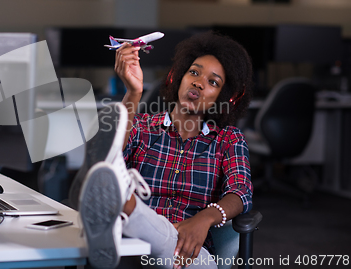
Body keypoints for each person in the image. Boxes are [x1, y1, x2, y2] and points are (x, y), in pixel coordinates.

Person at [76, 31, 254, 269]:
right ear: (179, 77)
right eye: (194, 71)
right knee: (111, 160)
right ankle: (127, 211)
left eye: (213, 82)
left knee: (181, 252)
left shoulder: (228, 139)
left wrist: (204, 219)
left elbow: (241, 191)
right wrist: (133, 92)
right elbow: (113, 152)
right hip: (134, 246)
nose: (198, 82)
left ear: (221, 96)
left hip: (192, 254)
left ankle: (127, 207)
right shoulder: (143, 127)